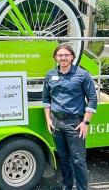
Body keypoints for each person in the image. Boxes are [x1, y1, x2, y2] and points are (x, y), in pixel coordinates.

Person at [42, 44, 97, 190]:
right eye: (60, 55)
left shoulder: (82, 75)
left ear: (72, 56)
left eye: (66, 55)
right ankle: (67, 185)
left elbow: (92, 99)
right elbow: (46, 99)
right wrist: (48, 118)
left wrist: (85, 122)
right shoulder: (50, 75)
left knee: (78, 160)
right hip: (56, 122)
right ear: (56, 57)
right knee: (64, 158)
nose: (63, 58)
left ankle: (82, 188)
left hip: (75, 123)